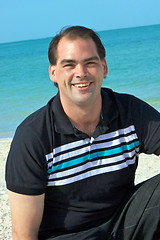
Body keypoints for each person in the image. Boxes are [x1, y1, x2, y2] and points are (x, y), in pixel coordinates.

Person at [5, 26, 160, 240]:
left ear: (104, 67)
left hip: (123, 223)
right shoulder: (32, 137)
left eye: (90, 63)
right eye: (69, 65)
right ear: (54, 73)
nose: (81, 72)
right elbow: (23, 234)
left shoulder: (129, 111)